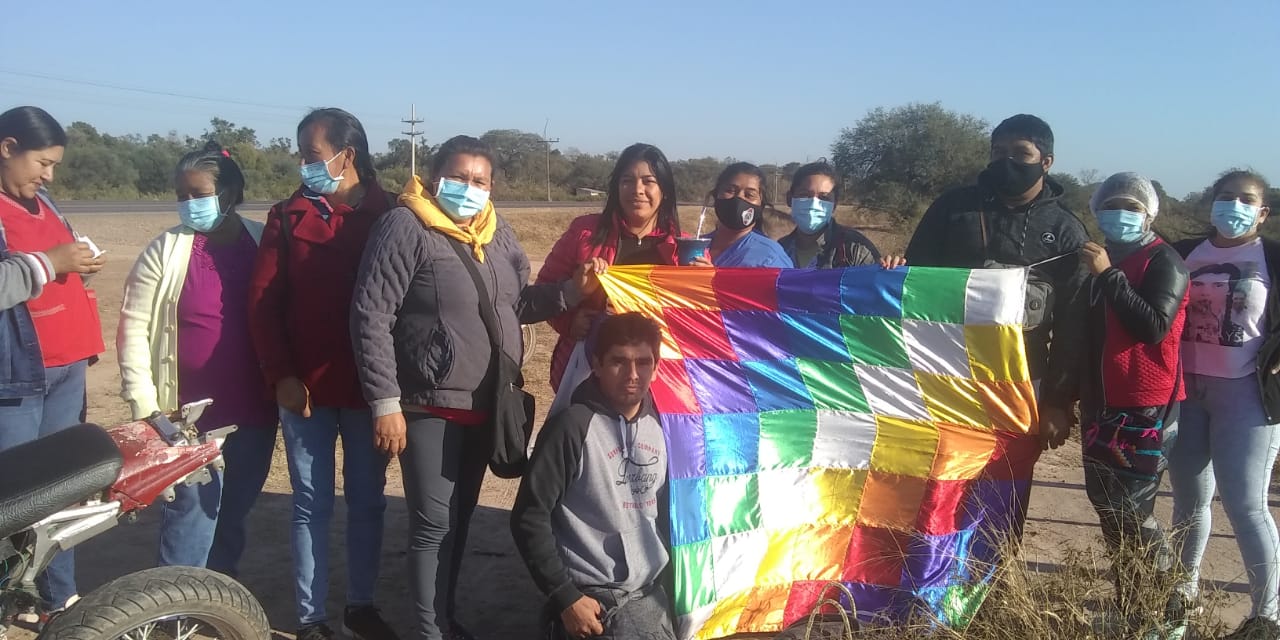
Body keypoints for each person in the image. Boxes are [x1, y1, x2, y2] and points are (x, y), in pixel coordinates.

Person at [351, 135, 601, 640]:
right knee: (432, 524)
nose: (469, 189)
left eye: (480, 181)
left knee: (459, 518)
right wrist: (385, 403)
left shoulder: (497, 233)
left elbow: (518, 304)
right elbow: (370, 316)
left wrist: (573, 291)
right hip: (427, 405)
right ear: (436, 176)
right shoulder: (406, 226)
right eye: (459, 178)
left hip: (484, 402)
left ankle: (443, 618)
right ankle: (430, 630)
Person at [247, 108, 397, 640]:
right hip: (304, 389)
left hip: (368, 389)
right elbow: (263, 304)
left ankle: (361, 605)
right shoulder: (286, 217)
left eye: (312, 156)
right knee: (310, 503)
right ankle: (310, 618)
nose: (304, 166)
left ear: (346, 156)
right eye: (304, 157)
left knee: (368, 499)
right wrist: (280, 376)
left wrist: (392, 396)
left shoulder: (392, 214)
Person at [117, 142, 277, 572]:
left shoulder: (262, 241)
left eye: (199, 194)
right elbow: (134, 326)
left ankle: (216, 597)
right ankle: (175, 606)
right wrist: (145, 405)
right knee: (190, 513)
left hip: (254, 411)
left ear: (230, 193)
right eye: (182, 195)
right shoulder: (165, 251)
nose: (189, 204)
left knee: (233, 511)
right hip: (186, 418)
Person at [903, 114, 1088, 449]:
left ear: (1046, 162)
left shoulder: (1065, 231)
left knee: (1005, 482)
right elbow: (913, 283)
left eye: (1021, 153)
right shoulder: (952, 209)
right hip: (944, 371)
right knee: (939, 475)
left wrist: (1059, 402)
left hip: (1020, 379)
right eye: (998, 152)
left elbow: (1073, 327)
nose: (1007, 161)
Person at [1058, 173, 1189, 636]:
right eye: (1112, 204)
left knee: (1136, 512)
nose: (1121, 213)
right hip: (1102, 405)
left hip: (1145, 407)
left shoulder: (1164, 262)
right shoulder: (1106, 261)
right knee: (1109, 508)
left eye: (1132, 206)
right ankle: (1135, 607)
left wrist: (1109, 276)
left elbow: (1152, 327)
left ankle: (1170, 612)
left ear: (1149, 213)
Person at [0, 105, 105, 618]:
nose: (48, 174)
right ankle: (10, 597)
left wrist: (76, 266)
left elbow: (50, 266)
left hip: (67, 367)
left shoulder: (44, 202)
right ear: (7, 148)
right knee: (16, 494)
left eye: (55, 166)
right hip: (19, 378)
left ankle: (55, 596)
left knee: (62, 489)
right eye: (42, 162)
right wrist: (51, 263)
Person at [511, 312, 673, 640]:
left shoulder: (663, 427)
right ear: (596, 364)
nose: (632, 375)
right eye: (619, 362)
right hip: (593, 602)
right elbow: (529, 517)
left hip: (650, 598)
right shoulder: (571, 427)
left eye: (643, 363)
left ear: (656, 368)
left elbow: (664, 512)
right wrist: (566, 597)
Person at [1170, 170, 1280, 640]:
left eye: (1246, 199)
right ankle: (1181, 593)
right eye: (1225, 196)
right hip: (1186, 392)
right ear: (1210, 202)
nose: (1233, 205)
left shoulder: (1272, 256)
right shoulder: (1182, 252)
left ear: (1263, 211)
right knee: (1188, 501)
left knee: (1246, 505)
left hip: (1247, 395)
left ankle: (1266, 616)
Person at [538, 143, 680, 393]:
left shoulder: (681, 248)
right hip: (589, 372)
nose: (637, 190)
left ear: (664, 190)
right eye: (627, 181)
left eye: (648, 181)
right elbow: (543, 290)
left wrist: (706, 280)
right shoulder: (584, 232)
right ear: (616, 187)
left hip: (658, 380)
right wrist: (570, 321)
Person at [777, 161, 883, 268]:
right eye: (804, 195)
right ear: (789, 199)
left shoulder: (854, 249)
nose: (814, 203)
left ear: (834, 205)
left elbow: (879, 280)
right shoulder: (778, 250)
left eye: (823, 198)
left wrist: (893, 267)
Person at [690, 162, 791, 268]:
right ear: (716, 195)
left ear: (761, 204)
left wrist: (713, 279)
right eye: (730, 191)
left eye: (749, 195)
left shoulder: (770, 256)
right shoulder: (694, 247)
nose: (739, 199)